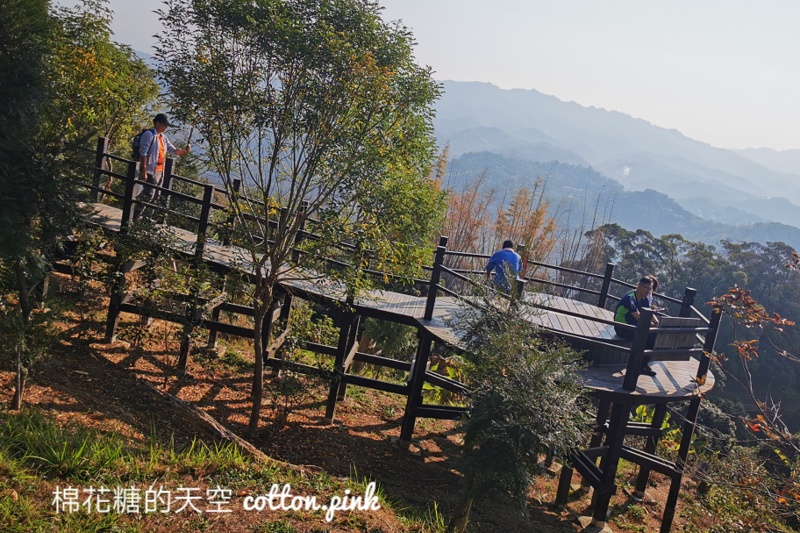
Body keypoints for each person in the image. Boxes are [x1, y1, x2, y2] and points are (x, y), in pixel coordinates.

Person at [135, 113, 190, 220]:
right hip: (150, 171)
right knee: (148, 195)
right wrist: (144, 171)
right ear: (157, 123)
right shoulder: (149, 135)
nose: (166, 127)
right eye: (164, 125)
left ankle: (145, 220)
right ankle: (134, 217)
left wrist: (186, 151)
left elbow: (173, 151)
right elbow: (143, 153)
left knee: (156, 196)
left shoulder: (163, 137)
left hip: (160, 171)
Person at [614, 276, 660, 376]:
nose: (648, 290)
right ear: (639, 285)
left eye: (650, 288)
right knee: (646, 336)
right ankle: (639, 365)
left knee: (653, 336)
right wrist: (653, 326)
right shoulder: (630, 298)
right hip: (623, 327)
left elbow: (650, 313)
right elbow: (640, 318)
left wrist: (657, 324)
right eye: (646, 287)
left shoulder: (645, 299)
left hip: (635, 326)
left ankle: (643, 364)